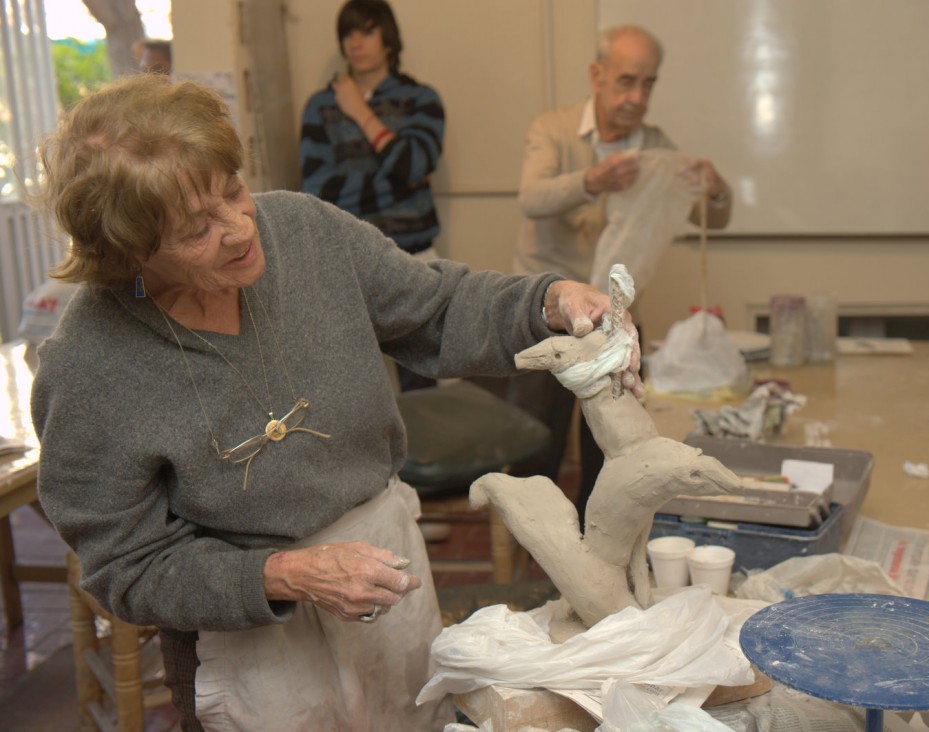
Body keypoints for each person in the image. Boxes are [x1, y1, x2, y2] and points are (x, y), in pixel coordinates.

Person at [31, 74, 641, 731]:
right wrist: (283, 575)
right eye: (196, 229)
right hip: (247, 629)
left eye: (233, 191)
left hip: (382, 569)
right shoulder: (91, 366)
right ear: (128, 253)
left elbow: (437, 307)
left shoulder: (303, 232)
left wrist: (548, 302)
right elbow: (127, 567)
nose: (239, 229)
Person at [509, 25, 732, 522]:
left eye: (648, 84)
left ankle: (597, 546)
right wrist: (593, 180)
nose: (637, 97)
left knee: (613, 451)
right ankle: (533, 543)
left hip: (615, 321)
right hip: (546, 313)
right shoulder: (553, 128)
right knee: (535, 443)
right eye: (627, 81)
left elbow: (710, 218)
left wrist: (714, 189)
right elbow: (532, 197)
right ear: (597, 74)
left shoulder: (656, 145)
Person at [300, 0, 444, 392]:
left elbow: (414, 166)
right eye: (348, 33)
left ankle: (426, 456)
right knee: (352, 386)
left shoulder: (421, 99)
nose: (355, 43)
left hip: (412, 256)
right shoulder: (320, 106)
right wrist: (394, 179)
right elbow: (318, 191)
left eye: (366, 31)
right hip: (344, 260)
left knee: (421, 380)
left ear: (388, 39)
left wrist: (360, 112)